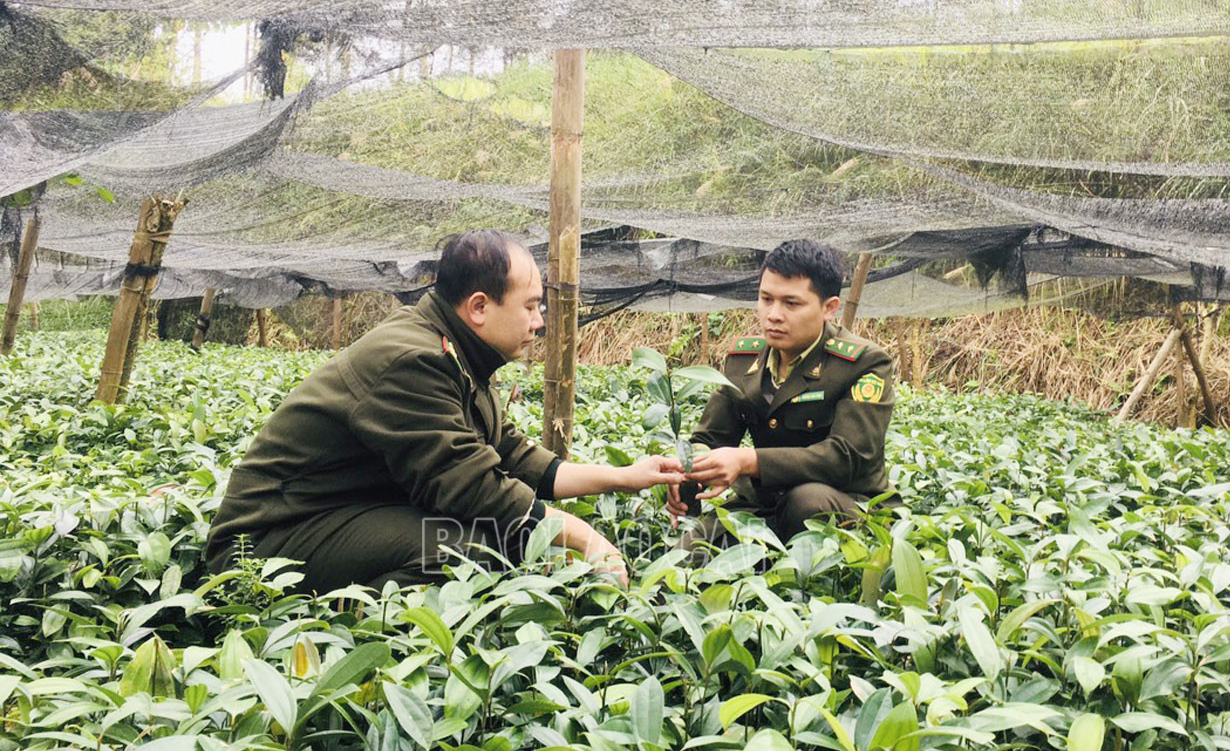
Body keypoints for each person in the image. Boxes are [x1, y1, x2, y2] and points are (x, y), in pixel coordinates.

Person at [205, 230, 682, 593]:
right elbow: (474, 488)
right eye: (531, 307)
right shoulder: (415, 360)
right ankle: (333, 621)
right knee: (470, 550)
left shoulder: (455, 348)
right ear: (479, 306)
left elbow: (511, 458)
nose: (539, 322)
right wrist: (586, 539)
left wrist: (624, 476)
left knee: (510, 541)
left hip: (335, 512)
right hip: (265, 543)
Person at [668, 239, 896, 552]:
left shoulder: (863, 363)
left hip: (848, 506)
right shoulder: (743, 360)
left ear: (829, 308)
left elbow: (846, 457)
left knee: (806, 502)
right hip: (766, 505)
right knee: (686, 560)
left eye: (791, 303)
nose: (773, 315)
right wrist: (686, 469)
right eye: (766, 299)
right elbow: (711, 437)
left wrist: (749, 460)